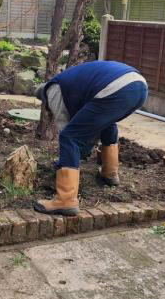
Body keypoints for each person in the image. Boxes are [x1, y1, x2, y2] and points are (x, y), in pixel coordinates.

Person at [33, 60, 148, 216]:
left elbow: (66, 128)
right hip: (138, 86)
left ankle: (65, 200)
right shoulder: (70, 83)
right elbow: (88, 124)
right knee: (107, 123)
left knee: (69, 137)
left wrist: (70, 158)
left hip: (116, 88)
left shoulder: (52, 89)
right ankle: (110, 173)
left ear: (43, 98)